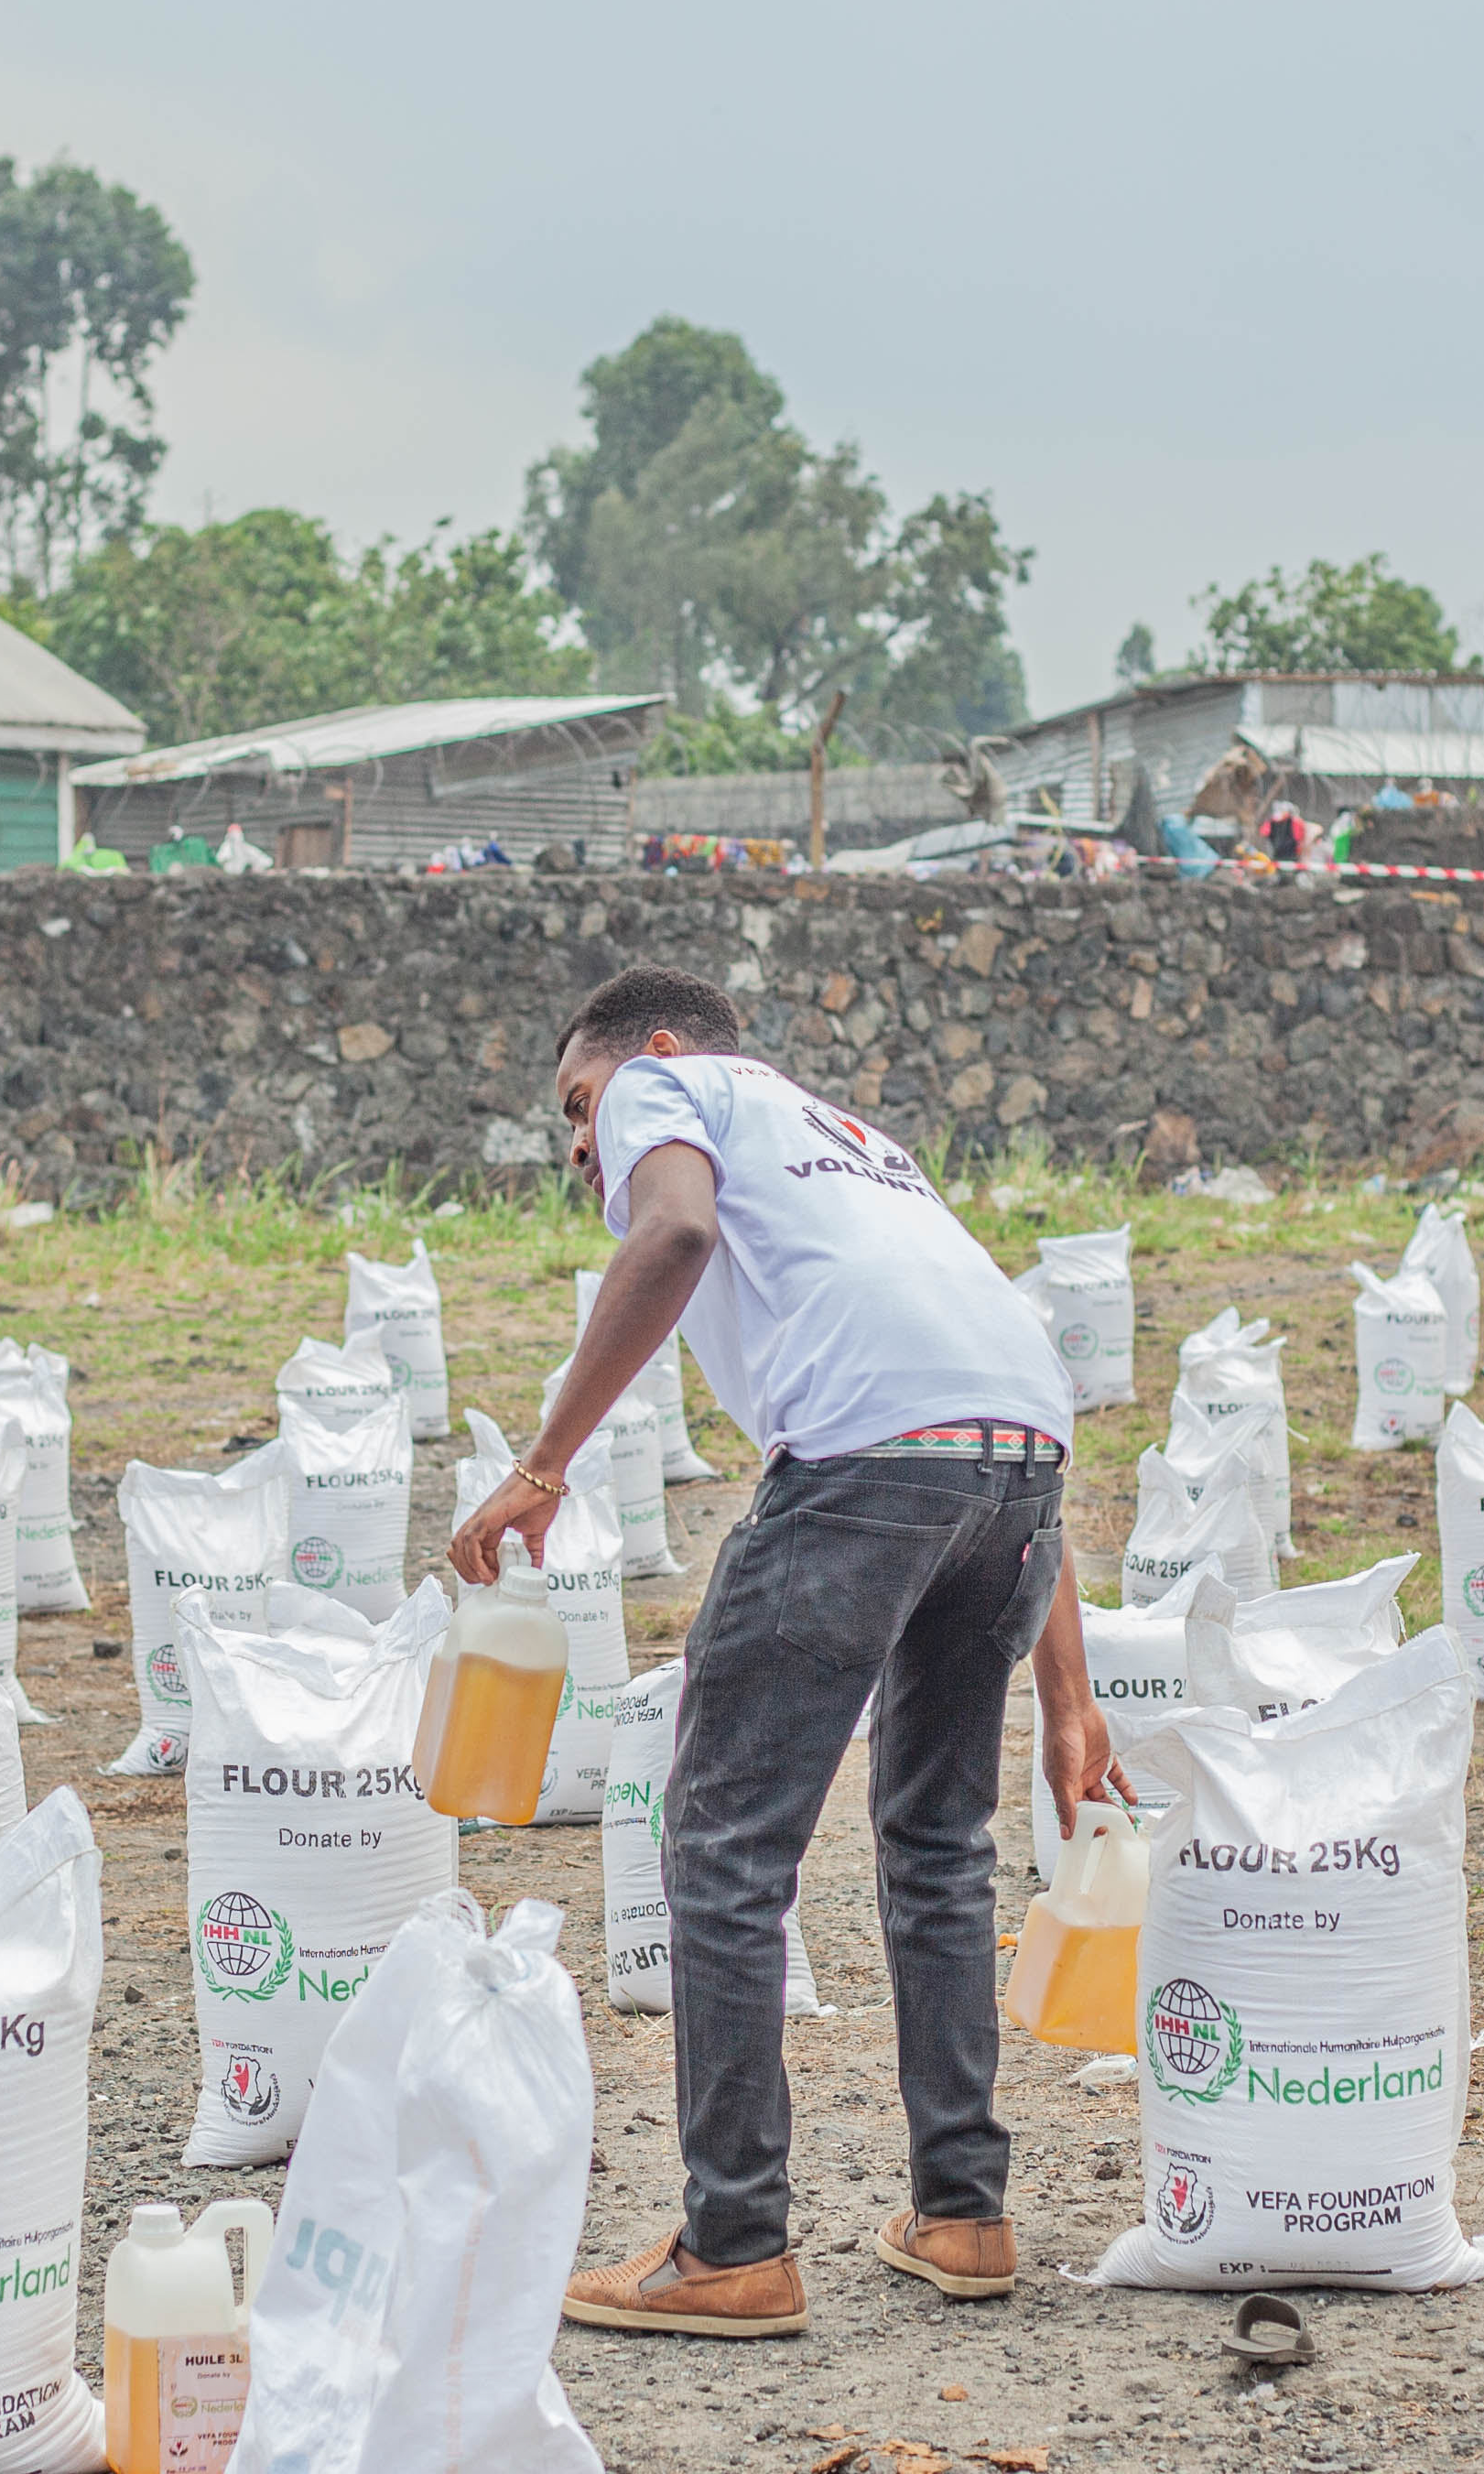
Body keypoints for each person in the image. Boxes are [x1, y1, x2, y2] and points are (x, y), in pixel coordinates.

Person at [453, 966, 1121, 2338]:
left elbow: (676, 1235)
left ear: (644, 1052)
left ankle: (735, 2244)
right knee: (940, 1842)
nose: (583, 1142)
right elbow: (996, 1402)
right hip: (1015, 1478)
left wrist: (542, 1463)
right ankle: (963, 2214)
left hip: (869, 1473)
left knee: (722, 1843)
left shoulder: (668, 1085)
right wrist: (1070, 1697)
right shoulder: (864, 1149)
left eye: (578, 1105)